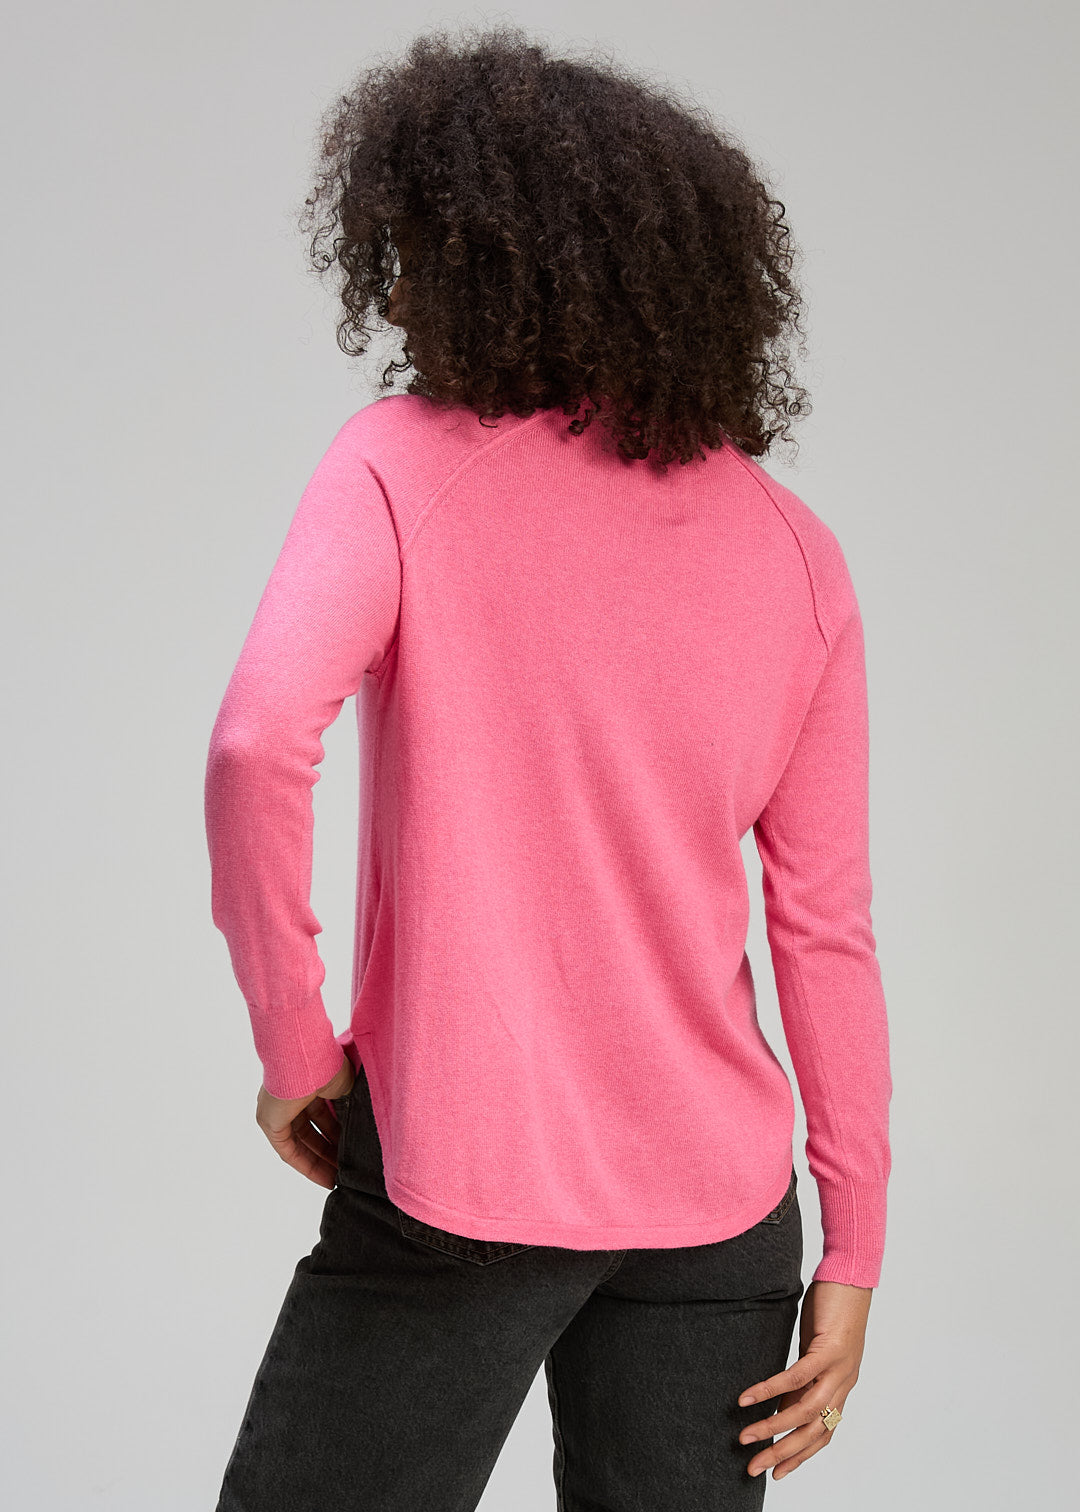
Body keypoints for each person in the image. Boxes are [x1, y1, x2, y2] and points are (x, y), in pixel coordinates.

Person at [204, 23, 891, 1511]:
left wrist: (295, 1051)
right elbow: (825, 928)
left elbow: (256, 743)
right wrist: (854, 1245)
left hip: (466, 1168)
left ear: (486, 256)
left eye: (414, 245)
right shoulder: (799, 553)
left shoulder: (402, 461)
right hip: (723, 1211)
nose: (396, 285)